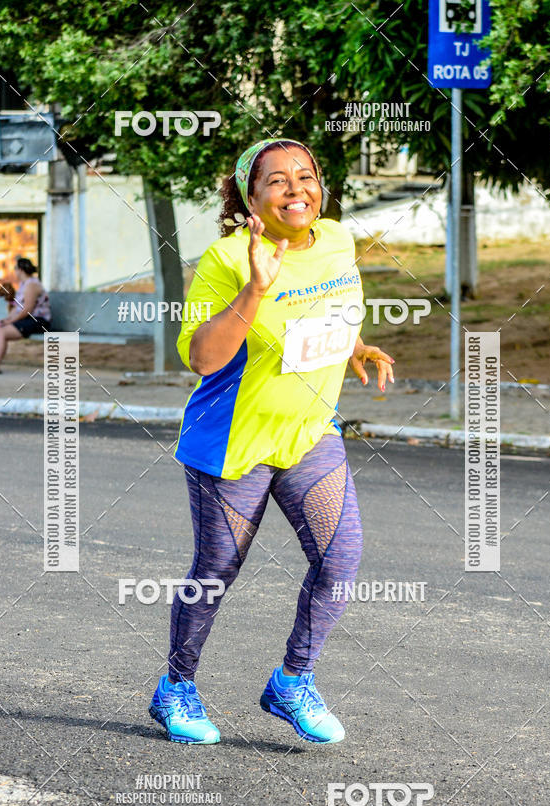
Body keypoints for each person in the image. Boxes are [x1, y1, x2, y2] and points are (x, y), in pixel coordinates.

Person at [149, 138, 394, 745]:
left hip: (311, 430)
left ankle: (292, 681)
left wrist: (354, 346)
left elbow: (337, 306)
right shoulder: (228, 258)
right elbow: (203, 359)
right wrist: (255, 288)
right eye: (277, 181)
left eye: (306, 177)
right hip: (233, 443)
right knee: (217, 570)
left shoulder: (336, 240)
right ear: (250, 197)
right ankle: (175, 689)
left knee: (340, 560)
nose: (296, 190)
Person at [0, 258, 51, 375]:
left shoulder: (32, 285)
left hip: (38, 321)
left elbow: (27, 310)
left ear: (20, 269)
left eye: (15, 269)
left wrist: (10, 322)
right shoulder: (23, 284)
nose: (15, 272)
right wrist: (7, 319)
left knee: (1, 332)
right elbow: (18, 307)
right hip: (27, 320)